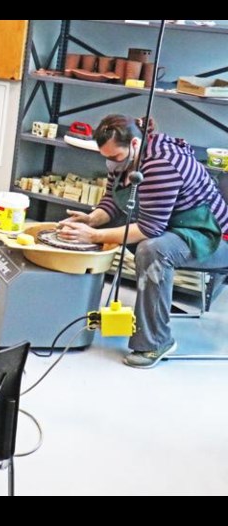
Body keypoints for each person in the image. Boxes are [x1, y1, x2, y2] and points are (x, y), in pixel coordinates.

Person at [58, 115, 228, 368]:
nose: (110, 162)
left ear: (135, 144)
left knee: (154, 250)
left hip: (211, 238)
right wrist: (92, 220)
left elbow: (150, 228)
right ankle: (72, 313)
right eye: (106, 156)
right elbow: (113, 202)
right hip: (174, 226)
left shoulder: (161, 164)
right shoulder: (125, 160)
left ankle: (156, 341)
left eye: (115, 157)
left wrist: (93, 237)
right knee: (109, 229)